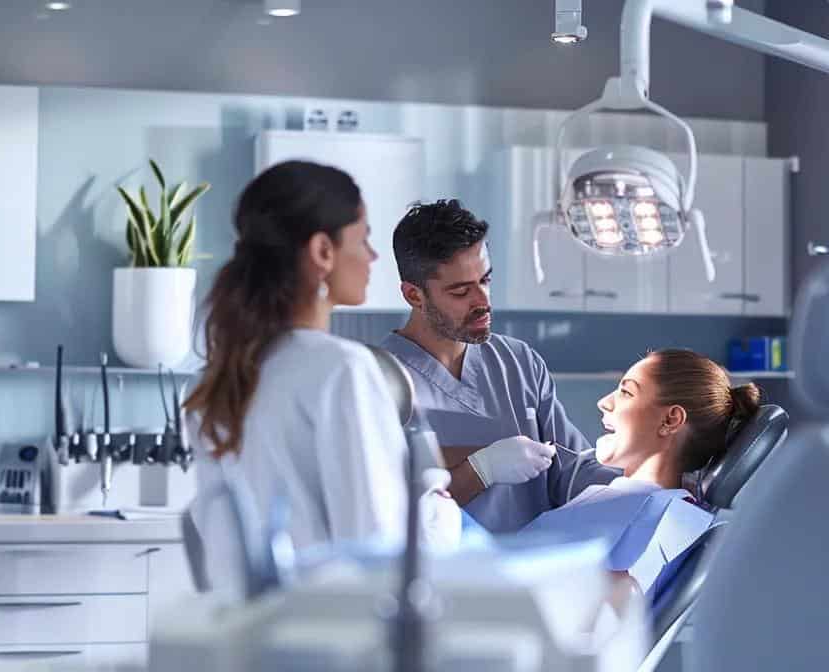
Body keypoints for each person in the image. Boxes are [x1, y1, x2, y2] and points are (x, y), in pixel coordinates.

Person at [185, 160, 409, 585]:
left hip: (244, 639)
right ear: (323, 251)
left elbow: (224, 554)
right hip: (327, 638)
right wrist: (434, 510)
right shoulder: (343, 370)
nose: (373, 256)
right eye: (364, 239)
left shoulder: (214, 383)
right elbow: (377, 549)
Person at [379, 199, 620, 534]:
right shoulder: (379, 382)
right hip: (447, 581)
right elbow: (390, 514)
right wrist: (480, 470)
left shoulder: (518, 363)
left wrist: (649, 486)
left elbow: (572, 471)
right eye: (461, 291)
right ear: (414, 295)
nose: (483, 302)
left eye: (486, 280)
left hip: (533, 571)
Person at [518, 349, 761, 596]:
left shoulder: (660, 518)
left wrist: (482, 470)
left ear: (671, 419)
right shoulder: (640, 503)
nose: (604, 402)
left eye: (626, 392)